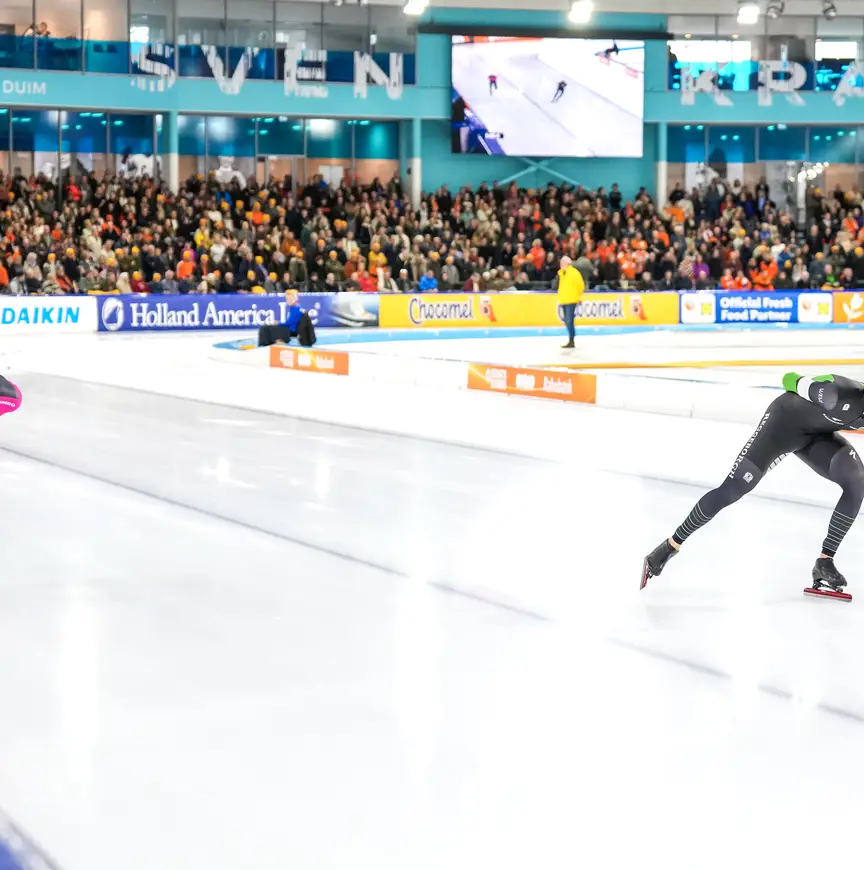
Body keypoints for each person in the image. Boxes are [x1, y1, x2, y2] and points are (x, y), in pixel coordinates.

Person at [641, 372, 864, 597]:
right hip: (781, 426)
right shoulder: (838, 394)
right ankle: (669, 546)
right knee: (732, 489)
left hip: (817, 436)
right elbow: (789, 378)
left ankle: (824, 563)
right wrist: (811, 389)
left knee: (857, 481)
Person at [553, 255, 585, 349]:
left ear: (568, 263)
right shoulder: (561, 273)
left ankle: (571, 340)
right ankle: (571, 339)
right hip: (564, 300)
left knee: (569, 320)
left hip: (571, 300)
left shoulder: (574, 273)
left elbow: (581, 286)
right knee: (567, 321)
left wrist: (578, 297)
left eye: (562, 263)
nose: (560, 265)